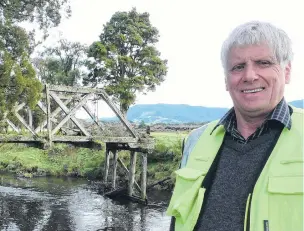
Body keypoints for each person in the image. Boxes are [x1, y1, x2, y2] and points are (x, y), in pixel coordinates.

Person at [166, 21, 304, 231]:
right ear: (226, 79)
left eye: (263, 63)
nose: (249, 76)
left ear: (286, 71)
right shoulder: (196, 140)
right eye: (238, 67)